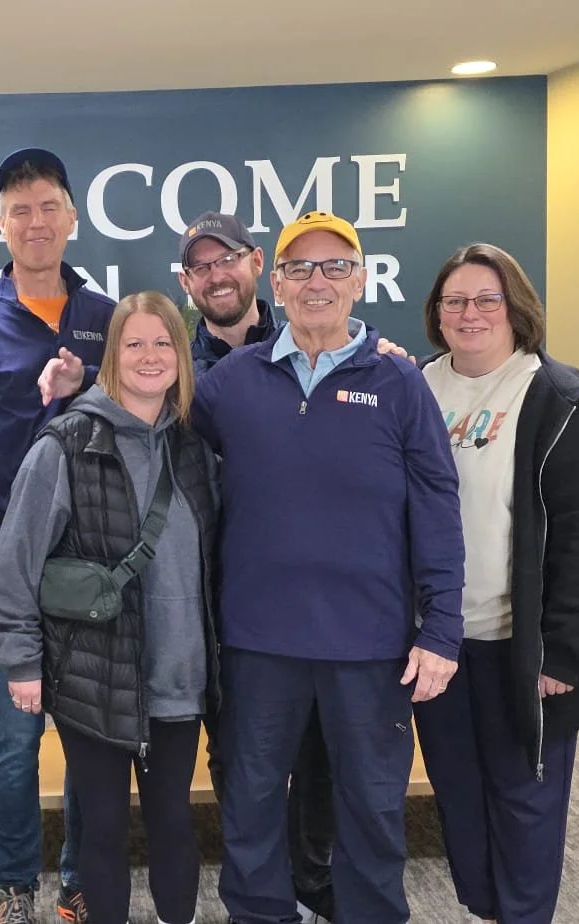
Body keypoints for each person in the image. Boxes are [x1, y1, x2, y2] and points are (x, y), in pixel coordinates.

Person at [194, 210, 465, 924]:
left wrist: (442, 627)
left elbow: (437, 505)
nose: (318, 281)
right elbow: (152, 427)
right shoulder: (233, 382)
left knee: (372, 808)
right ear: (277, 284)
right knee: (251, 802)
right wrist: (74, 389)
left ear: (361, 279)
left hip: (370, 645)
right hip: (257, 640)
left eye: (336, 266)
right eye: (300, 268)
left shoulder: (400, 382)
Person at [0, 290, 220, 924]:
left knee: (173, 820)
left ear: (181, 356)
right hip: (94, 677)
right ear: (111, 354)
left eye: (163, 342)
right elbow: (13, 568)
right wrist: (21, 661)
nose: (149, 356)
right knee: (104, 827)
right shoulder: (64, 445)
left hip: (179, 677)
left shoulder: (195, 450)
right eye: (133, 343)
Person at [410, 242, 579, 924]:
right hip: (438, 643)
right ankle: (486, 910)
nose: (469, 313)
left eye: (487, 299)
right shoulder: (415, 386)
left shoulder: (558, 398)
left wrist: (564, 652)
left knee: (524, 800)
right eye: (455, 301)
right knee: (460, 796)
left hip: (520, 647)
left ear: (516, 309)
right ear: (437, 312)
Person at [0, 146, 113, 924]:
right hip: (7, 549)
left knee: (87, 733)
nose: (35, 223)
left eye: (48, 207)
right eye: (19, 211)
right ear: (1, 224)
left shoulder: (108, 318)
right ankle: (16, 883)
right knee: (15, 734)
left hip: (94, 549)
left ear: (71, 216)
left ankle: (79, 878)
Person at [176, 210, 336, 921]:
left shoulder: (317, 341)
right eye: (201, 266)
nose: (216, 275)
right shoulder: (174, 366)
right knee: (241, 755)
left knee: (321, 750)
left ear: (257, 263)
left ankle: (312, 876)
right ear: (187, 282)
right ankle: (261, 892)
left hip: (311, 592)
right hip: (216, 597)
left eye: (227, 259)